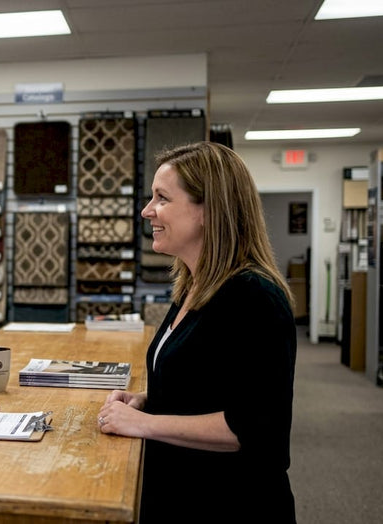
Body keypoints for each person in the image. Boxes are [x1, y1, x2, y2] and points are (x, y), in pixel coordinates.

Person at [97, 142, 297, 523]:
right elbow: (209, 385)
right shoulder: (194, 284)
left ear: (208, 211)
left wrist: (145, 423)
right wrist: (147, 400)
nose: (146, 211)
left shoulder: (254, 297)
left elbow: (255, 429)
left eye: (162, 198)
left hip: (229, 504)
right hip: (182, 493)